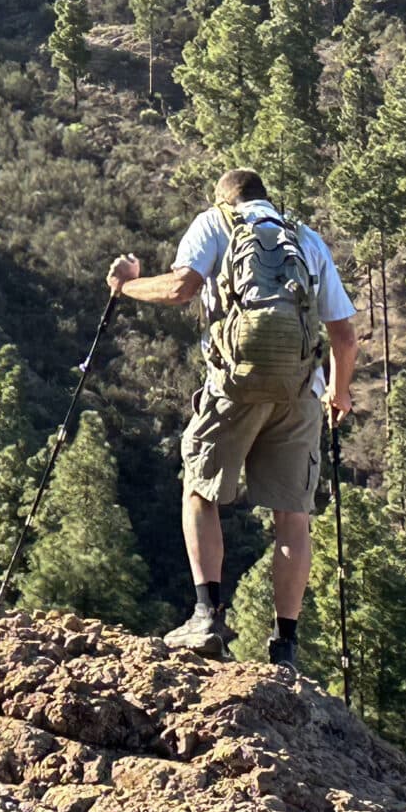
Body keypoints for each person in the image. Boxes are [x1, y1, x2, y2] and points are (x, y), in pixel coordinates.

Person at [106, 167, 357, 665]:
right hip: (301, 390)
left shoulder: (214, 224)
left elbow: (181, 289)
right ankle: (285, 645)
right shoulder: (304, 239)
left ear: (222, 197)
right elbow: (344, 337)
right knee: (292, 517)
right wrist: (340, 394)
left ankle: (206, 618)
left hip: (233, 385)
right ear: (267, 199)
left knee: (200, 492)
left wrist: (125, 287)